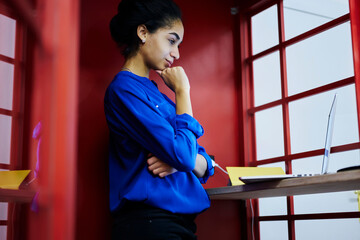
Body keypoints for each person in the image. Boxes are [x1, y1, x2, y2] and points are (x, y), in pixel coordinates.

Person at [104, 0, 215, 239]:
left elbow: (205, 161)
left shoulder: (156, 94)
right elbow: (186, 155)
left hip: (177, 224)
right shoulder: (124, 90)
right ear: (143, 32)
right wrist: (183, 91)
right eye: (171, 40)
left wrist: (178, 161)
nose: (176, 53)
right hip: (149, 224)